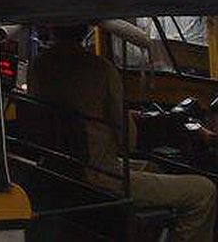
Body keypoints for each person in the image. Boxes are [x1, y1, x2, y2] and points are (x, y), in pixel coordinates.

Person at [30, 24, 216, 242]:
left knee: (156, 167)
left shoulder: (39, 66)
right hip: (100, 176)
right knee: (204, 191)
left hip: (59, 167)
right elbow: (128, 142)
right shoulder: (101, 69)